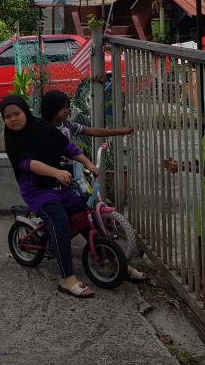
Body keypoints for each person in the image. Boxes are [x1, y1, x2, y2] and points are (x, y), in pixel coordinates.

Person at [1, 94, 100, 299]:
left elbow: (68, 147)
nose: (13, 119)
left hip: (58, 183)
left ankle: (109, 257)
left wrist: (88, 163)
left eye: (17, 113)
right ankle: (67, 278)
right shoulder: (13, 141)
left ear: (25, 112)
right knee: (59, 221)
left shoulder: (43, 127)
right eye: (7, 116)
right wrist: (55, 172)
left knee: (84, 212)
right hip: (37, 191)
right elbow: (30, 164)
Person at [40, 89, 145, 282]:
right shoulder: (43, 129)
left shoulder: (68, 126)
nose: (67, 111)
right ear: (51, 110)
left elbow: (93, 131)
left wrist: (119, 132)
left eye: (68, 107)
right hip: (51, 178)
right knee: (63, 215)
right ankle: (54, 241)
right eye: (62, 108)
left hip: (72, 175)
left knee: (85, 212)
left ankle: (115, 260)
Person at [161, 97, 205, 310]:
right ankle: (200, 283)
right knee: (202, 241)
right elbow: (199, 163)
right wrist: (178, 164)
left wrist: (182, 166)